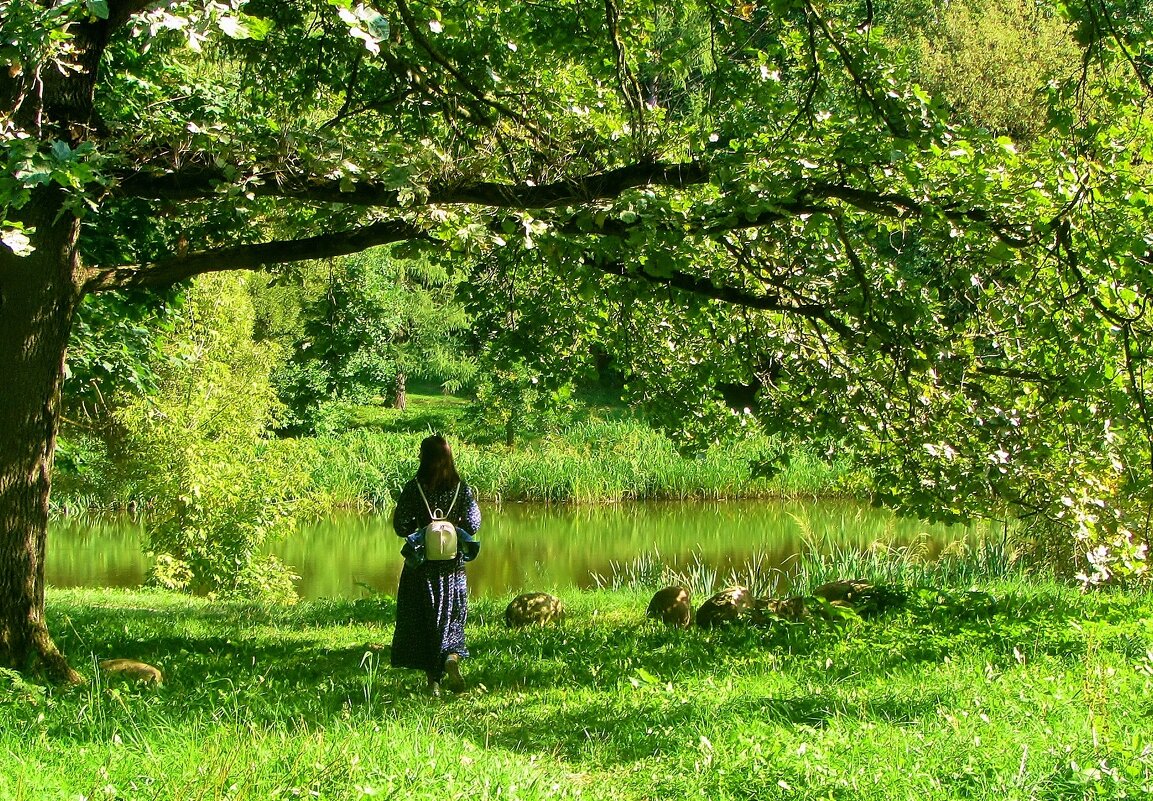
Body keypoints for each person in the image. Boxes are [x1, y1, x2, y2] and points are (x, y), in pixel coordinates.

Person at [390, 434, 481, 695]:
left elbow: (400, 526)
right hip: (452, 569)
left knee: (424, 620)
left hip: (421, 567)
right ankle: (452, 657)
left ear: (425, 457)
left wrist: (422, 527)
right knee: (452, 617)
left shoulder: (414, 487)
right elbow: (473, 524)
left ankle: (433, 682)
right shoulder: (461, 488)